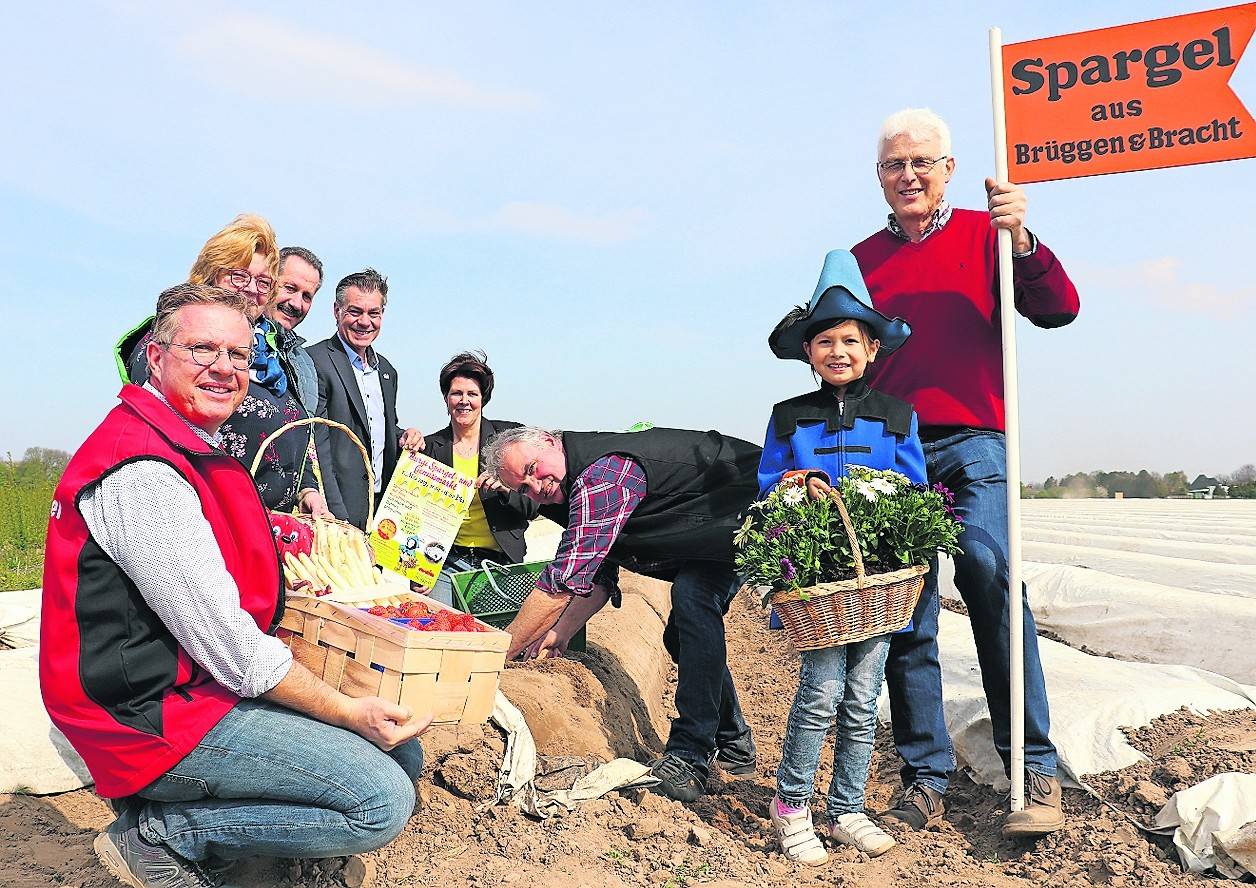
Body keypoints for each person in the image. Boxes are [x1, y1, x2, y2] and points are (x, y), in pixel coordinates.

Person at [43, 284, 429, 888]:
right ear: (155, 354)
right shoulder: (143, 474)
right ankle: (161, 834)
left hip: (190, 683)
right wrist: (349, 711)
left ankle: (243, 841)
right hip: (141, 713)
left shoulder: (181, 442)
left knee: (402, 754)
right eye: (202, 349)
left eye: (240, 355)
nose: (224, 369)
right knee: (378, 801)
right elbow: (230, 646)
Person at [850, 108, 1079, 837]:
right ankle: (924, 776)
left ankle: (1033, 765)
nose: (908, 175)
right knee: (907, 609)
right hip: (892, 449)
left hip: (974, 437)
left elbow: (1060, 310)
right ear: (879, 177)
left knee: (987, 566)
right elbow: (839, 354)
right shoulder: (860, 260)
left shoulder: (989, 233)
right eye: (894, 165)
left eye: (922, 162)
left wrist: (1024, 239)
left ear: (949, 169)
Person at [483, 424, 761, 802]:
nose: (536, 488)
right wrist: (561, 632)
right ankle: (734, 741)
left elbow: (561, 583)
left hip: (736, 517)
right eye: (524, 489)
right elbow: (598, 575)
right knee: (680, 635)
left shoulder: (602, 476)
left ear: (550, 442)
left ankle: (689, 758)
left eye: (533, 470)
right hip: (699, 536)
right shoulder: (568, 493)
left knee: (693, 599)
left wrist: (497, 653)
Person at [757, 249, 924, 865]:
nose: (838, 352)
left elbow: (913, 493)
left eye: (851, 340)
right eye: (824, 341)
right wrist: (795, 488)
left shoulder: (898, 417)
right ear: (808, 353)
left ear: (873, 349)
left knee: (862, 696)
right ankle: (793, 804)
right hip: (817, 584)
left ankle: (847, 806)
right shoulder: (788, 418)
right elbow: (769, 486)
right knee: (821, 691)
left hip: (877, 580)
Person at [114, 214, 335, 517]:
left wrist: (306, 487)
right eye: (239, 276)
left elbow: (292, 425)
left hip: (266, 527)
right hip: (207, 520)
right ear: (210, 275)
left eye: (263, 281)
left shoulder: (268, 349)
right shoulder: (172, 338)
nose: (251, 289)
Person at [421, 351, 539, 605]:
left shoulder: (509, 438)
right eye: (456, 393)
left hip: (500, 562)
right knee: (440, 636)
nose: (464, 401)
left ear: (483, 399)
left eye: (472, 394)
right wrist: (417, 568)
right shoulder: (431, 447)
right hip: (445, 563)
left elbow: (533, 507)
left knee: (497, 639)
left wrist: (506, 490)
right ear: (446, 398)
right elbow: (416, 514)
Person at [308, 268, 422, 530]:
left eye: (374, 313)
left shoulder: (387, 371)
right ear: (337, 311)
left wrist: (405, 435)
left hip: (382, 511)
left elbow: (381, 430)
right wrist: (336, 515)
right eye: (355, 311)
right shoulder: (315, 362)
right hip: (337, 512)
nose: (364, 322)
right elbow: (318, 443)